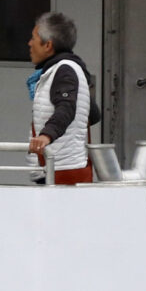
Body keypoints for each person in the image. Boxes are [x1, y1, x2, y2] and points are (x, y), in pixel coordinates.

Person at [26, 11, 98, 185]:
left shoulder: (64, 70)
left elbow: (66, 107)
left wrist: (46, 135)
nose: (29, 44)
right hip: (60, 167)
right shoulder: (67, 70)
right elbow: (94, 114)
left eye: (33, 38)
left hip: (59, 170)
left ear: (48, 45)